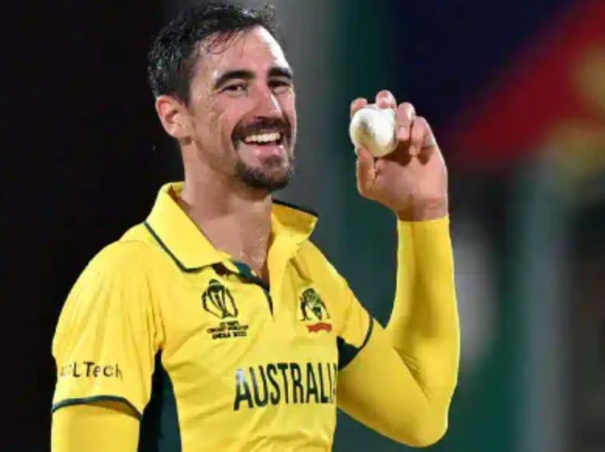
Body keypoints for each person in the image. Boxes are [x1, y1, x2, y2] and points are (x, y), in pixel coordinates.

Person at [50, 3, 459, 451]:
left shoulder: (306, 270)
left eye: (279, 83)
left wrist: (423, 212)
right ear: (174, 116)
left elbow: (421, 411)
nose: (270, 107)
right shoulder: (126, 280)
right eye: (236, 87)